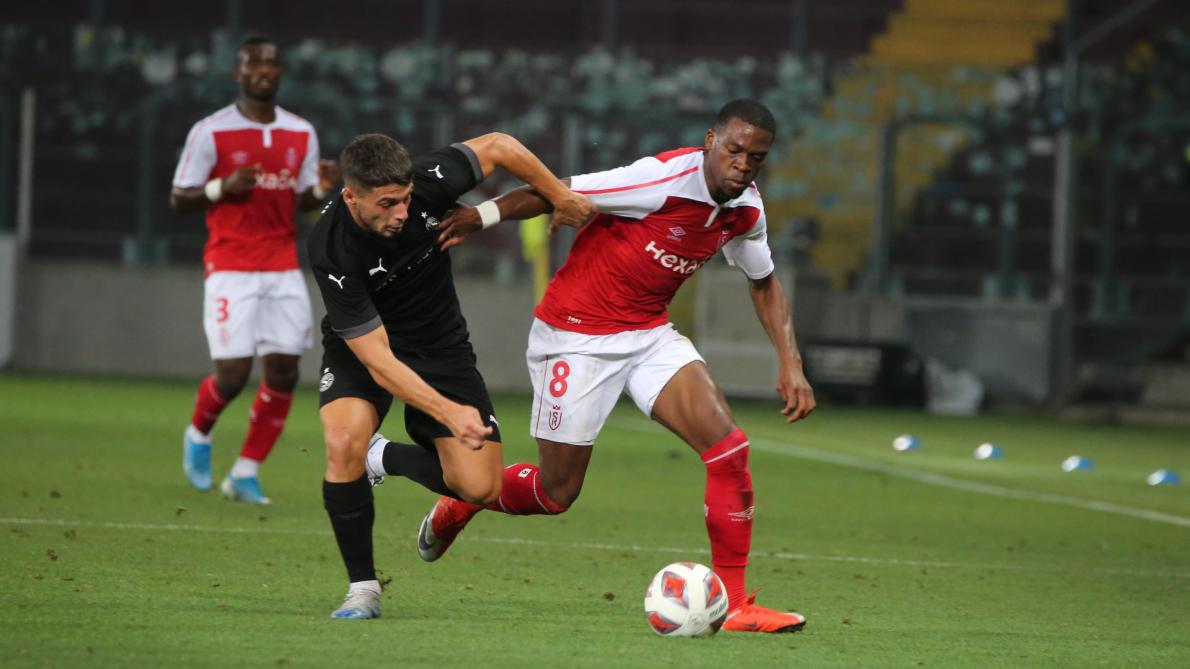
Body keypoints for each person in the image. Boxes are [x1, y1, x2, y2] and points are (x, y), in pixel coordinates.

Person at [375, 98, 816, 633]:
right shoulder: (659, 180)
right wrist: (483, 215)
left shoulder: (746, 208)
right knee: (554, 493)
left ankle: (738, 603)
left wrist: (790, 363)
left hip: (649, 335)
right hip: (575, 337)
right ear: (710, 141)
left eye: (756, 158)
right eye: (734, 150)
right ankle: (463, 500)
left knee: (729, 449)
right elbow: (554, 190)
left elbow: (763, 279)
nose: (742, 165)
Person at [308, 132, 594, 620]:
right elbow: (378, 361)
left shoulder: (428, 182)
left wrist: (559, 195)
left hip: (439, 347)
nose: (401, 212)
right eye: (387, 204)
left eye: (405, 199)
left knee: (480, 487)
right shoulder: (331, 247)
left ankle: (385, 457)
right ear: (351, 196)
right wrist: (448, 412)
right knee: (341, 443)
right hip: (365, 349)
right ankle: (363, 589)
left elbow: (501, 145)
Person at [170, 35, 339, 505]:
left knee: (285, 371)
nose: (264, 70)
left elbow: (304, 201)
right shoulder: (211, 132)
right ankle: (199, 434)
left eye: (271, 62)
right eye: (254, 63)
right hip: (230, 264)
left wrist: (322, 189)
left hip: (282, 265)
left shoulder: (301, 132)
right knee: (232, 375)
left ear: (279, 72)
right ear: (238, 73)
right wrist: (220, 187)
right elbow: (179, 197)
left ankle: (245, 472)